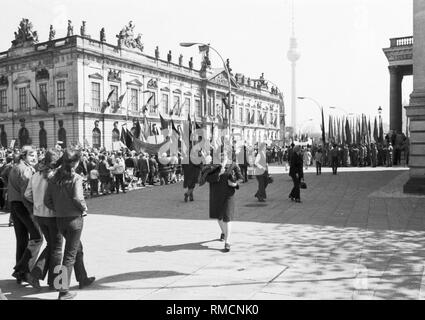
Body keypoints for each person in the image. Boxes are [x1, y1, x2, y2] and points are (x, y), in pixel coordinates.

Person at [44, 148, 95, 300]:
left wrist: (59, 209)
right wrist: (84, 208)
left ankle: (83, 278)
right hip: (74, 219)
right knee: (70, 255)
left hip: (60, 220)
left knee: (77, 248)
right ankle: (63, 291)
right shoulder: (76, 178)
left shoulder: (53, 178)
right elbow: (77, 198)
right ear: (75, 162)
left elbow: (47, 200)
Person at [24, 149, 62, 289]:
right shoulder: (55, 176)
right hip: (53, 215)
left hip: (39, 215)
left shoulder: (35, 175)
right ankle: (55, 282)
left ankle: (36, 274)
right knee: (57, 248)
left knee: (51, 245)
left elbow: (27, 194)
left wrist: (37, 202)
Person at [8, 146, 42, 287]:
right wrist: (33, 211)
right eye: (31, 155)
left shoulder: (15, 167)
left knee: (21, 240)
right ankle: (22, 269)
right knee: (37, 237)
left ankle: (20, 274)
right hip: (24, 206)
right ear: (23, 156)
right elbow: (26, 194)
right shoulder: (25, 169)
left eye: (35, 155)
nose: (34, 157)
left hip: (14, 205)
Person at [202, 152, 243, 252]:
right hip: (216, 194)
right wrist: (219, 173)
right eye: (220, 153)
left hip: (229, 195)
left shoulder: (233, 165)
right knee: (219, 217)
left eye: (223, 153)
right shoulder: (212, 166)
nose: (222, 156)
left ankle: (227, 242)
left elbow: (241, 178)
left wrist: (234, 184)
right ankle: (224, 233)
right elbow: (207, 178)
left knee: (227, 217)